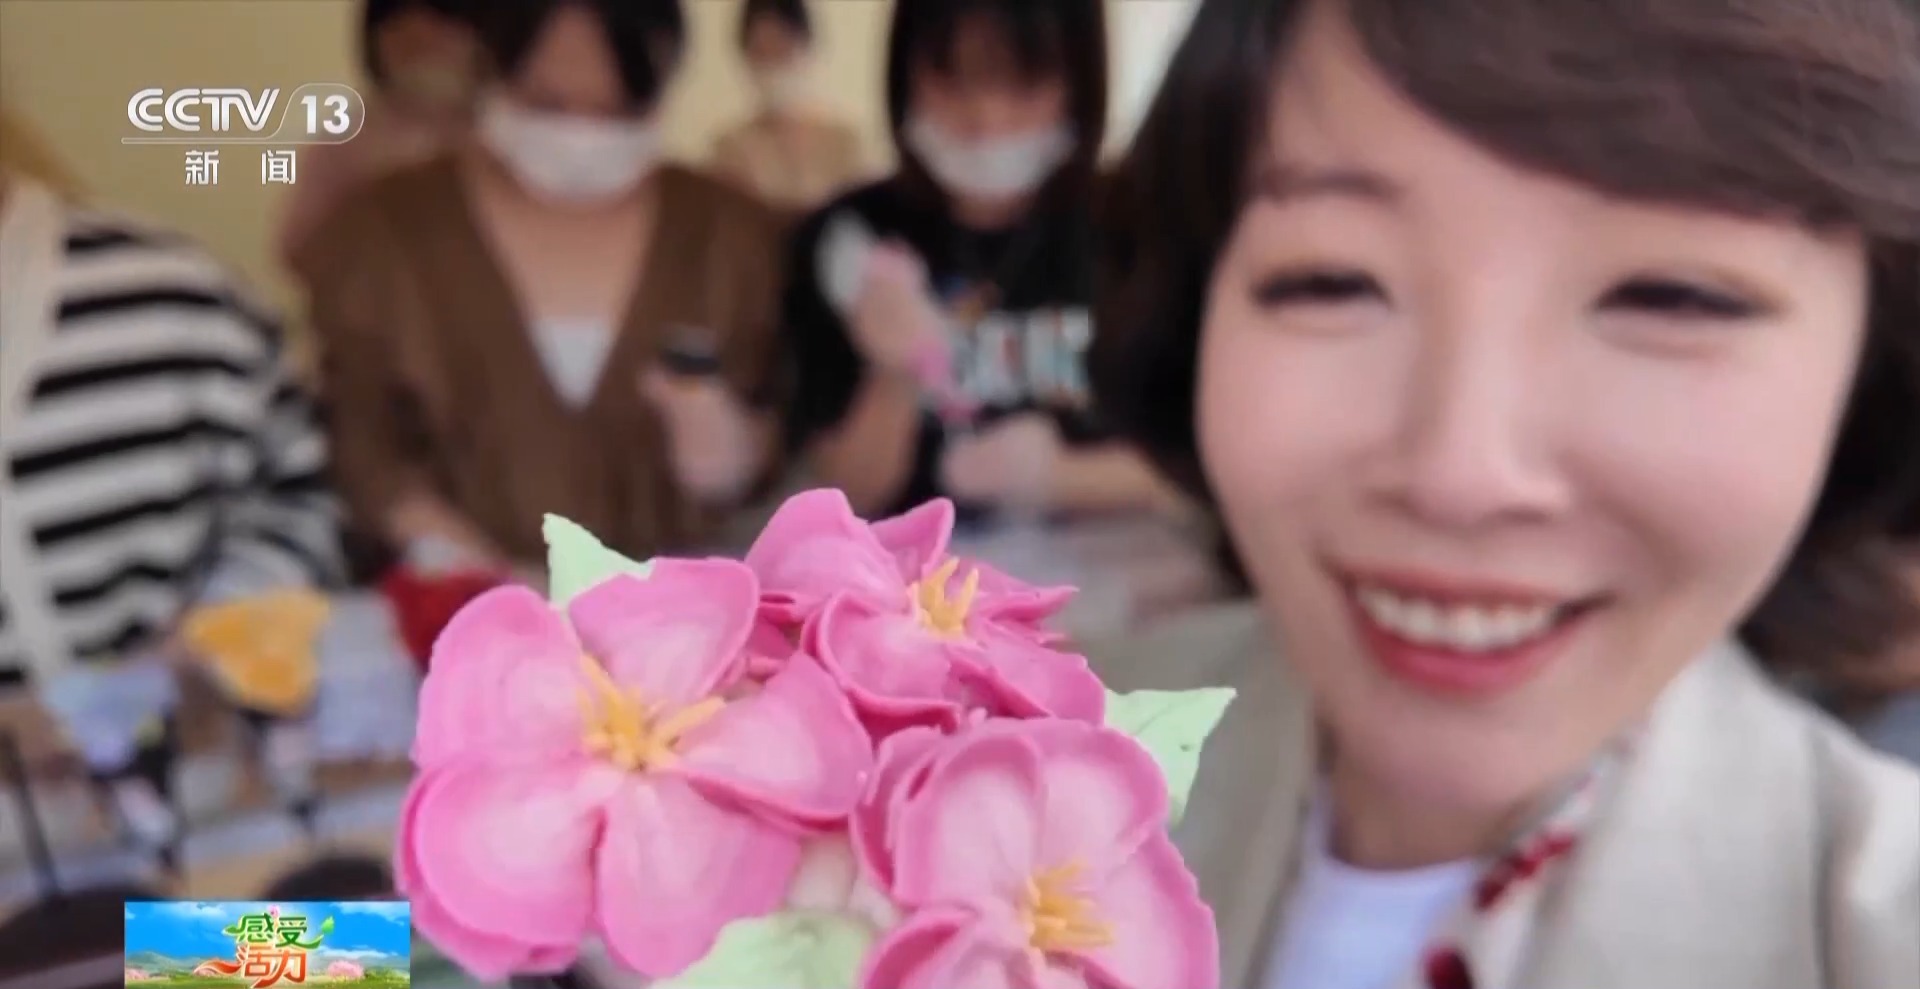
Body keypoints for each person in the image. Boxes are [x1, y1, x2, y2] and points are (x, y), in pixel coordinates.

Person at [1086, 0, 1920, 986]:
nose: (1461, 473)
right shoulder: (1016, 741)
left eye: (1669, 297)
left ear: (1871, 356)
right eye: (1334, 280)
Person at [307, 0, 786, 573]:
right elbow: (362, 445)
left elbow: (794, 428)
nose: (581, 134)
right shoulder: (388, 233)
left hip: (690, 606)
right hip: (448, 608)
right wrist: (455, 558)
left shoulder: (733, 236)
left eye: (613, 112)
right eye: (549, 105)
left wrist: (742, 449)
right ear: (490, 72)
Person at [0, 169, 345, 873]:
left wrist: (201, 654)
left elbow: (303, 505)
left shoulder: (175, 301)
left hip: (215, 838)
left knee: (354, 940)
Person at [782, 0, 1182, 523]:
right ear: (905, 77)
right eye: (951, 79)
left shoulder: (1142, 229)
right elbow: (840, 497)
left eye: (1025, 84)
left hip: (1121, 564)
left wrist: (1063, 476)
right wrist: (895, 376)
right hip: (910, 568)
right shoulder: (847, 238)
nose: (986, 118)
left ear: (1080, 82)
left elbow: (1202, 467)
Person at [282, 0, 486, 277]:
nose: (426, 64)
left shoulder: (498, 133)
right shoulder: (351, 134)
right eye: (410, 48)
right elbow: (295, 246)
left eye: (441, 41)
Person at [711, 0, 867, 212]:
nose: (772, 65)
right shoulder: (730, 149)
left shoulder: (846, 144)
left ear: (806, 47)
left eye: (781, 49)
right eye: (760, 52)